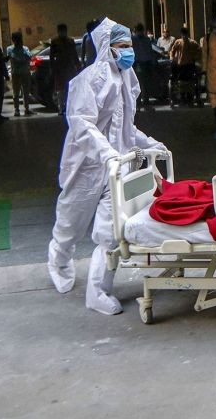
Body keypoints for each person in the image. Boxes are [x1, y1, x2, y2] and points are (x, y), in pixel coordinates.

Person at [47, 17, 167, 315]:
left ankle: (97, 290)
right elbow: (82, 125)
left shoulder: (127, 78)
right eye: (122, 45)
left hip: (117, 167)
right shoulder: (87, 81)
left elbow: (126, 126)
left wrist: (149, 143)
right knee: (70, 224)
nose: (129, 51)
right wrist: (106, 154)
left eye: (129, 45)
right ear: (107, 47)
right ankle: (58, 260)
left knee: (110, 230)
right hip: (87, 166)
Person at [49, 24, 80, 115]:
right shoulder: (54, 42)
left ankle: (68, 107)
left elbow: (74, 55)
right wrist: (52, 68)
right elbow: (51, 56)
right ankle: (61, 108)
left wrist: (78, 66)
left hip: (69, 68)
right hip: (59, 69)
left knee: (69, 89)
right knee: (60, 89)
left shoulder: (70, 41)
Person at [169, 27, 202, 107]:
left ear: (187, 34)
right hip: (180, 65)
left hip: (189, 65)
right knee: (181, 82)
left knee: (191, 82)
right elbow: (172, 51)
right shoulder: (178, 42)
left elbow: (200, 50)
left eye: (185, 35)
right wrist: (172, 59)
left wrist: (195, 57)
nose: (184, 36)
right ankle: (182, 98)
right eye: (183, 35)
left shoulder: (192, 43)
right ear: (181, 35)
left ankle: (190, 99)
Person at [6, 31, 34, 117]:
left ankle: (25, 109)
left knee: (24, 92)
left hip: (22, 72)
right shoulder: (10, 49)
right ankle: (18, 109)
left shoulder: (24, 48)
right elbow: (13, 58)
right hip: (19, 73)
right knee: (17, 92)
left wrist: (22, 56)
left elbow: (29, 56)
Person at [132, 23, 155, 110]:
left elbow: (150, 51)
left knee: (145, 82)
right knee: (138, 82)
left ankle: (145, 99)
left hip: (144, 63)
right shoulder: (133, 39)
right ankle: (138, 101)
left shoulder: (146, 39)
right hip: (138, 63)